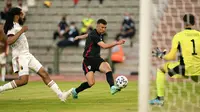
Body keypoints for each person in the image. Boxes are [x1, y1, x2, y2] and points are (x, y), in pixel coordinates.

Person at [1, 7, 71, 102]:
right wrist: (22, 31)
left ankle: (61, 95)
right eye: (22, 14)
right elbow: (9, 41)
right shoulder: (12, 27)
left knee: (44, 73)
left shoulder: (17, 25)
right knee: (23, 81)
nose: (23, 16)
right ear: (17, 16)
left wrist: (21, 30)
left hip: (27, 55)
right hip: (20, 57)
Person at [149, 14, 200, 106]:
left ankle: (160, 99)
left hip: (184, 69)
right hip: (198, 70)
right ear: (194, 23)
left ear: (184, 23)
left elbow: (171, 57)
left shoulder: (179, 36)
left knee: (161, 69)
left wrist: (161, 55)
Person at [67, 19, 125, 99]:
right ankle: (75, 91)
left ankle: (112, 87)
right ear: (97, 26)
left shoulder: (97, 33)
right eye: (102, 27)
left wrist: (79, 37)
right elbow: (104, 46)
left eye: (105, 27)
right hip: (88, 61)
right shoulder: (94, 35)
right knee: (91, 83)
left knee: (107, 68)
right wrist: (117, 43)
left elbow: (87, 34)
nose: (104, 29)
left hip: (96, 59)